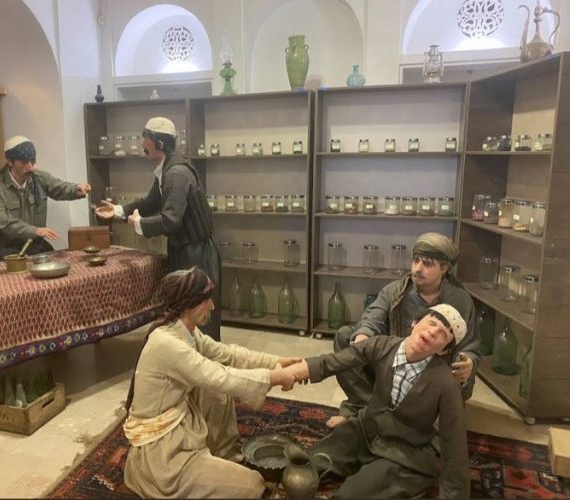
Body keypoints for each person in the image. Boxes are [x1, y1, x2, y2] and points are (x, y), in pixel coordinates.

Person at [123, 267, 299, 499]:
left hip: (182, 423)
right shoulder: (166, 343)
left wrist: (276, 362)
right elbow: (219, 376)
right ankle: (182, 471)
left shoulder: (186, 331)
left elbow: (228, 355)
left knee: (217, 390)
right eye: (207, 300)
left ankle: (223, 457)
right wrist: (274, 377)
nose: (213, 306)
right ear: (190, 304)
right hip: (163, 450)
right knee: (252, 486)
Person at [284, 304, 470, 499]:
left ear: (443, 350)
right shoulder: (383, 345)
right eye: (431, 323)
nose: (433, 332)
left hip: (404, 451)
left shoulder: (447, 384)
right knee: (304, 466)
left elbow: (454, 443)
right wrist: (295, 372)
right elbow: (338, 360)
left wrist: (453, 495)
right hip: (366, 430)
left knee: (349, 496)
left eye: (442, 334)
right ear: (415, 323)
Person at [329, 232, 479, 428]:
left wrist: (468, 362)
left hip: (432, 372)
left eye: (427, 264)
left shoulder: (460, 300)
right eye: (416, 261)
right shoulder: (395, 290)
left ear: (444, 268)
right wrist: (363, 337)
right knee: (345, 336)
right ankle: (366, 407)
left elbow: (469, 346)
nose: (418, 268)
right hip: (394, 364)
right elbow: (373, 317)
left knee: (434, 434)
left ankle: (397, 416)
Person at [104, 117, 221, 341]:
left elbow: (171, 220)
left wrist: (139, 224)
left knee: (198, 313)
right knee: (185, 313)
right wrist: (118, 210)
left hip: (196, 253)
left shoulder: (176, 173)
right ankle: (188, 355)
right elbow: (151, 202)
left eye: (146, 140)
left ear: (159, 143)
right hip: (186, 249)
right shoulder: (167, 169)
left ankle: (204, 359)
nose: (142, 145)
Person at [0, 135, 91, 262]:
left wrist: (76, 189)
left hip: (34, 244)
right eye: (24, 162)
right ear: (10, 162)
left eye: (33, 161)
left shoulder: (38, 177)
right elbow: (1, 220)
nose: (30, 167)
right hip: (5, 248)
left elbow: (59, 187)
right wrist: (35, 231)